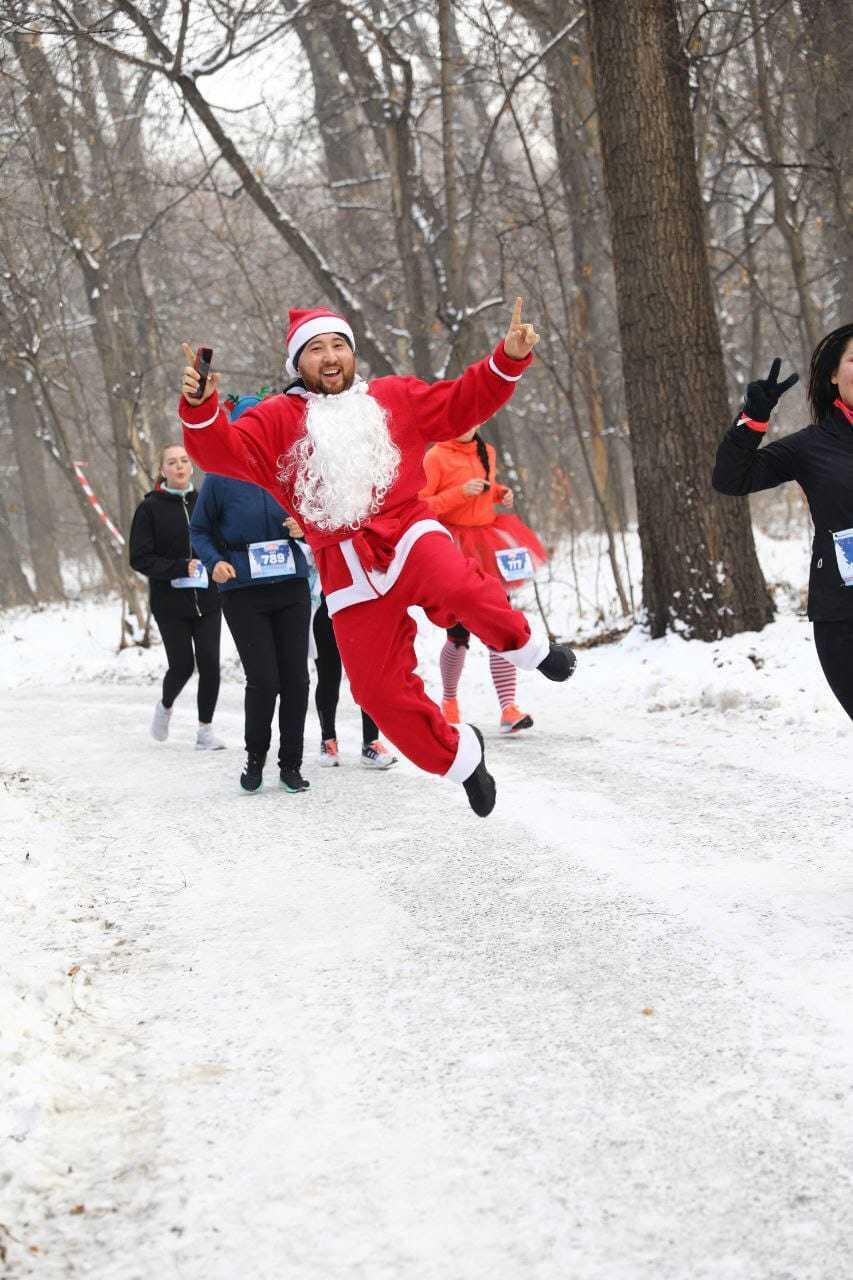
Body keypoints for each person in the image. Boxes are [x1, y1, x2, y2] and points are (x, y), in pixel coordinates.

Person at [178, 298, 575, 817]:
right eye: (315, 348)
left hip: (408, 529)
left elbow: (462, 403)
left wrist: (508, 358)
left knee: (458, 587)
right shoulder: (277, 419)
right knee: (376, 693)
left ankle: (530, 649)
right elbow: (220, 452)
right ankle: (460, 757)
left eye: (339, 344)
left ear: (353, 353)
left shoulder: (392, 397)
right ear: (297, 364)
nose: (330, 356)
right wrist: (202, 409)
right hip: (345, 565)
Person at [712, 322, 853, 719]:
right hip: (844, 616)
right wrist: (753, 418)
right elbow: (731, 479)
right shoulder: (813, 445)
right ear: (832, 374)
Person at [190, 396, 312, 794]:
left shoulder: (289, 471)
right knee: (264, 679)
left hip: (291, 585)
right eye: (247, 431)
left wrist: (303, 527)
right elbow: (199, 531)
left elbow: (320, 516)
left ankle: (290, 765)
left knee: (296, 680)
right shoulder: (219, 477)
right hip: (242, 589)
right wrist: (214, 562)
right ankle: (255, 757)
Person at [419, 425, 547, 734]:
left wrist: (498, 492)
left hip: (489, 544)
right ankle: (449, 702)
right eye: (463, 419)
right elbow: (422, 505)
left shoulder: (485, 450)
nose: (469, 426)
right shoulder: (435, 457)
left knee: (500, 626)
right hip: (453, 547)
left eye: (475, 420)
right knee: (458, 634)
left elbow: (485, 486)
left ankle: (508, 708)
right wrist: (460, 493)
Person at [129, 444, 224, 749]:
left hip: (208, 598)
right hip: (170, 603)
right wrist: (179, 567)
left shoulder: (205, 501)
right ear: (163, 470)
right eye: (172, 462)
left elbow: (221, 538)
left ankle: (205, 731)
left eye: (184, 460)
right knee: (183, 665)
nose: (180, 466)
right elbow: (140, 558)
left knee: (210, 662)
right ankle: (165, 705)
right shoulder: (149, 508)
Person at [312, 593, 398, 769]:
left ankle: (370, 744)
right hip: (326, 604)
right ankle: (328, 741)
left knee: (368, 676)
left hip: (360, 603)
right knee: (329, 675)